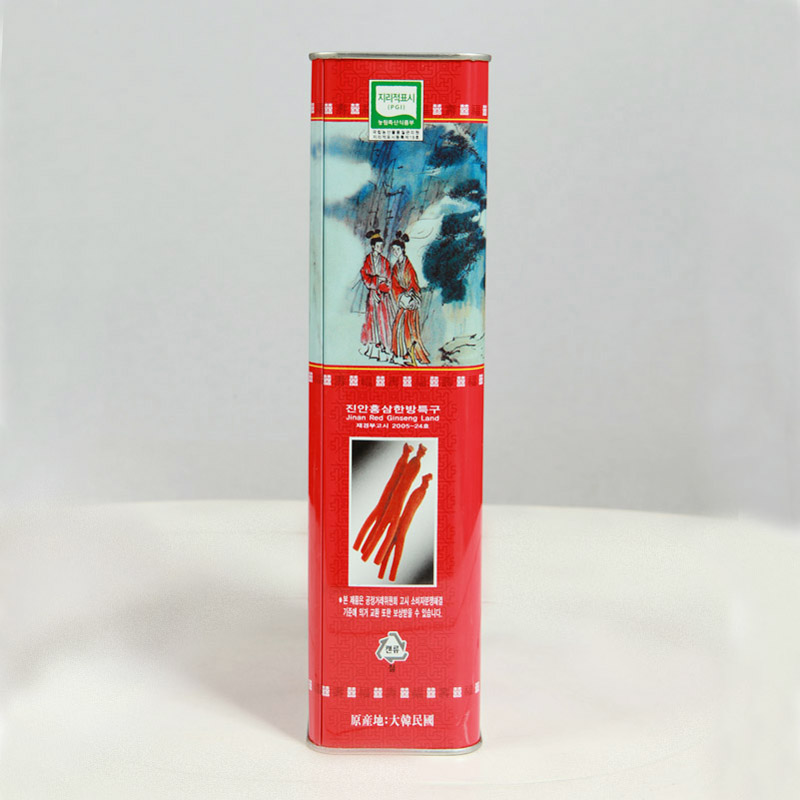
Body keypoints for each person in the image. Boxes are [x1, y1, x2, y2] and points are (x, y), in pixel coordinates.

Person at [389, 231, 430, 366]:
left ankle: (412, 354)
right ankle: (402, 353)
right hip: (403, 300)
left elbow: (413, 283)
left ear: (402, 250)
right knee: (398, 326)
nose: (395, 252)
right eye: (393, 250)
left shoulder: (408, 266)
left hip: (411, 301)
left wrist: (410, 296)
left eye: (397, 249)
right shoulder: (396, 267)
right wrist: (402, 295)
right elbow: (395, 285)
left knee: (410, 329)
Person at [359, 230, 397, 361]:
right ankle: (373, 347)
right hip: (372, 295)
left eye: (382, 246)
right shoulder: (368, 260)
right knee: (372, 319)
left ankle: (385, 346)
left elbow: (388, 279)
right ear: (373, 247)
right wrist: (375, 282)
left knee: (383, 319)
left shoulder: (385, 262)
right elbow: (365, 276)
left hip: (382, 295)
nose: (381, 248)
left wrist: (381, 287)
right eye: (378, 246)